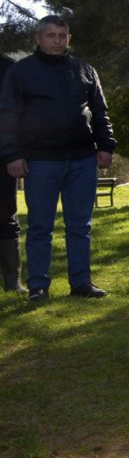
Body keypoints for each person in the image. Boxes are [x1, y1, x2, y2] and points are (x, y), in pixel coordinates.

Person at [0, 15, 115, 303]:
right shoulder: (20, 72)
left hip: (82, 159)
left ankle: (81, 282)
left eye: (62, 35)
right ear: (37, 39)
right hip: (40, 161)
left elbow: (100, 112)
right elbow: (8, 116)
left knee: (81, 226)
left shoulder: (84, 70)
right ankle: (38, 285)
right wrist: (13, 155)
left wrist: (106, 146)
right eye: (50, 35)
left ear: (69, 38)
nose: (57, 41)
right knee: (40, 226)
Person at [0, 53, 25, 294]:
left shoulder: (9, 68)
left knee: (5, 215)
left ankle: (12, 280)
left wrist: (14, 153)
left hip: (3, 155)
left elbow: (17, 114)